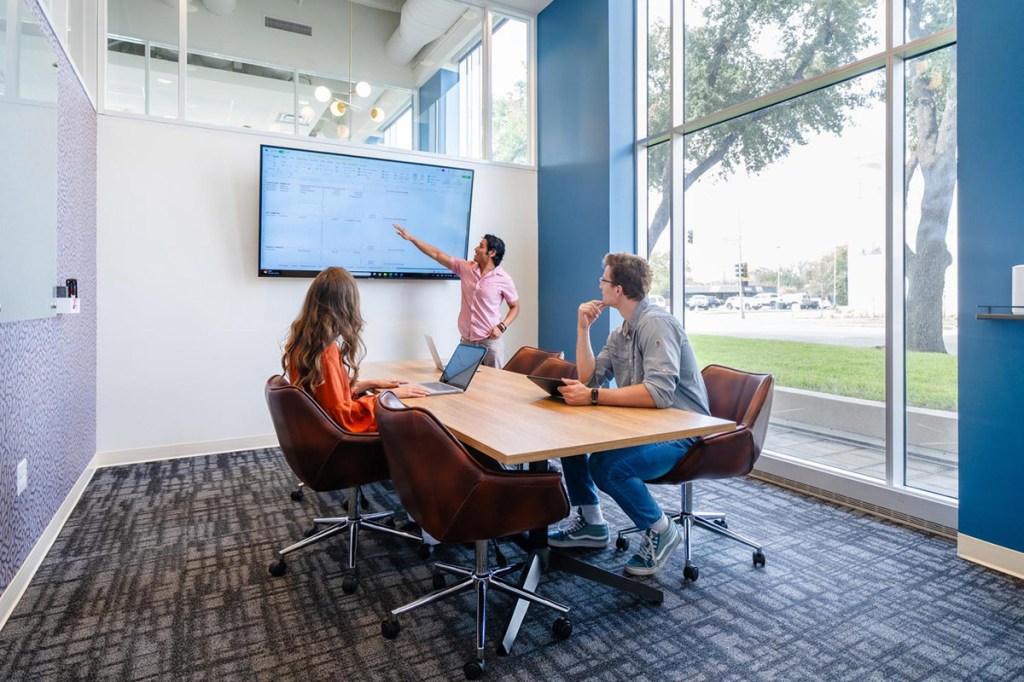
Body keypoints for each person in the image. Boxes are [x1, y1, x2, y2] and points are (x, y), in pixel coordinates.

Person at [550, 253, 710, 577]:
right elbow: (588, 378)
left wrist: (593, 397)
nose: (599, 285)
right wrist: (582, 330)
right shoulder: (620, 332)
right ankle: (593, 524)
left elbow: (659, 393)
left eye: (604, 280)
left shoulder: (656, 323)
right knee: (569, 437)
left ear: (619, 289)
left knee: (607, 465)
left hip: (680, 432)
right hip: (645, 427)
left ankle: (661, 528)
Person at [282, 266, 429, 432]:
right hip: (344, 442)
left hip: (319, 434)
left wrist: (370, 384)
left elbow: (326, 396)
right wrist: (388, 396)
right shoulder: (326, 352)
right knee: (417, 424)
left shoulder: (302, 342)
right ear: (345, 306)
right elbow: (344, 415)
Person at [393, 224, 519, 368]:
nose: (476, 248)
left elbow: (515, 307)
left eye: (481, 246)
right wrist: (411, 238)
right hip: (467, 341)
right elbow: (437, 254)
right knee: (459, 381)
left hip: (490, 342)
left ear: (492, 253)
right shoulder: (466, 268)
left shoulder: (504, 279)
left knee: (494, 385)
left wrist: (502, 326)